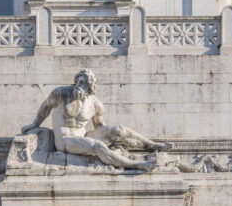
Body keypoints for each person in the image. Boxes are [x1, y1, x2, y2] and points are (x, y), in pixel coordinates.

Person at [21, 69, 172, 171]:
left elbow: (99, 126)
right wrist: (34, 124)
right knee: (97, 146)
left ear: (91, 87)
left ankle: (152, 145)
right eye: (78, 81)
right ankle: (137, 165)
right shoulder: (61, 93)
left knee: (119, 130)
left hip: (83, 136)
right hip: (65, 140)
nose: (79, 85)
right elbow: (45, 107)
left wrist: (113, 137)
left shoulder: (95, 104)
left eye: (84, 83)